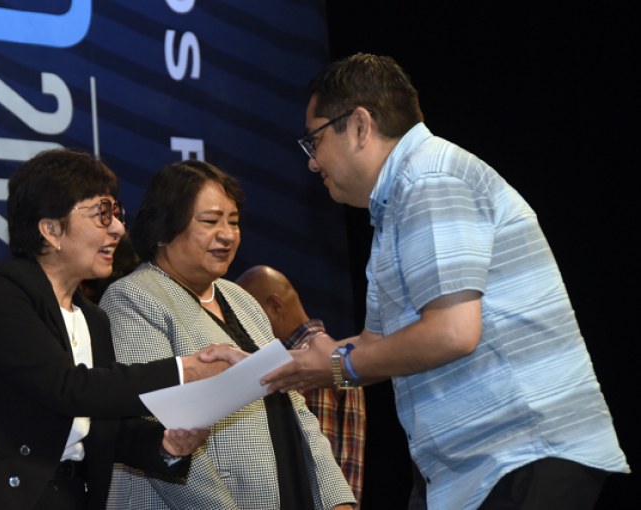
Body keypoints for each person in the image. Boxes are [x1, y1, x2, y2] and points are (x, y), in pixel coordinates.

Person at [258, 54, 630, 509]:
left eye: (314, 140)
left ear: (359, 126)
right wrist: (268, 368)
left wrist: (336, 364)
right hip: (476, 470)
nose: (313, 163)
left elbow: (452, 332)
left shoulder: (430, 179)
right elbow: (377, 345)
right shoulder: (397, 204)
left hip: (521, 451)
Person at [0, 148, 241, 510]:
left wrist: (166, 445)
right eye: (102, 214)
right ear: (51, 230)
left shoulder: (94, 319)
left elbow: (103, 426)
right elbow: (66, 388)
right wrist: (184, 371)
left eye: (117, 214)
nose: (118, 229)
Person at [99, 160, 356, 510]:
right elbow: (159, 432)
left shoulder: (241, 298)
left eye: (233, 222)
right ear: (163, 228)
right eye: (210, 221)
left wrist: (336, 499)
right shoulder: (133, 297)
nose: (228, 234)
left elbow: (295, 405)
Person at [236, 264, 367, 505]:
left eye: (248, 315)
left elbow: (316, 459)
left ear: (275, 306)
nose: (243, 328)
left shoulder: (306, 361)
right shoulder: (326, 354)